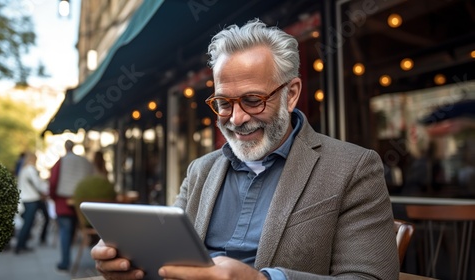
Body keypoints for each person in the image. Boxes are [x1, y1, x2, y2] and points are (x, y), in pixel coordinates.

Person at [91, 19, 399, 279]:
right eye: (224, 103)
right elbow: (168, 258)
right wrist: (131, 265)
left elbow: (370, 276)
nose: (237, 119)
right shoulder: (200, 171)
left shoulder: (354, 167)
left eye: (253, 100)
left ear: (291, 95)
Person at [50, 140, 93, 272]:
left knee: (65, 231)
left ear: (65, 147)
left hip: (63, 201)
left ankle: (65, 262)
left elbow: (53, 181)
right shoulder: (84, 161)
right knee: (72, 229)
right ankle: (67, 261)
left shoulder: (62, 161)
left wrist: (53, 197)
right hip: (81, 201)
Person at [15, 152, 48, 254]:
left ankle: (22, 244)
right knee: (28, 223)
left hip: (25, 199)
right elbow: (38, 185)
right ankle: (20, 245)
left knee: (28, 223)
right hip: (31, 199)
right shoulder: (30, 169)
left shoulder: (24, 170)